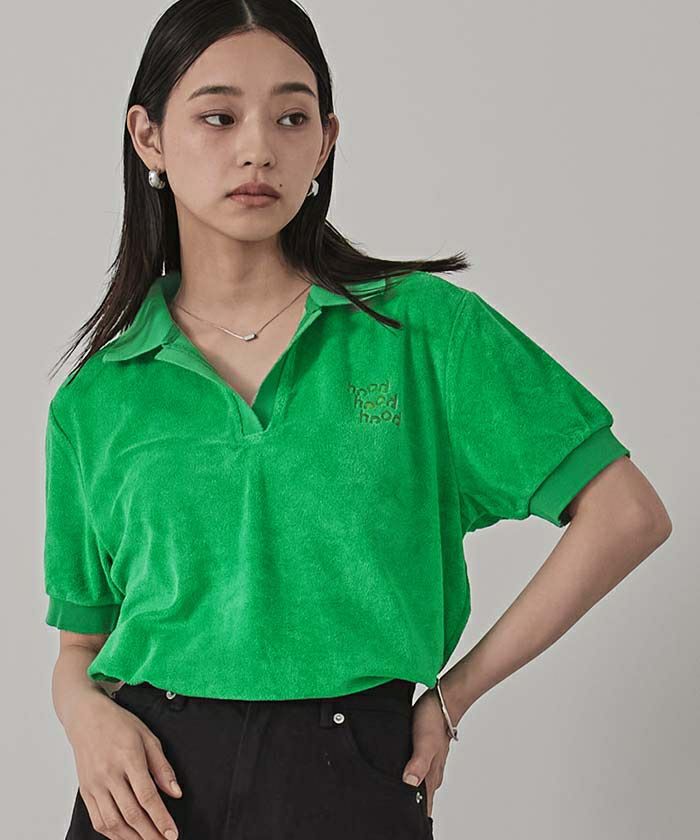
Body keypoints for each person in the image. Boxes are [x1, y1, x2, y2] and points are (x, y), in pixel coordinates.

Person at [42, 1, 672, 839]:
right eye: (219, 117)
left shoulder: (422, 333)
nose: (258, 148)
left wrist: (453, 696)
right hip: (146, 791)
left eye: (291, 117)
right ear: (149, 137)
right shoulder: (98, 397)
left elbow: (626, 513)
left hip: (351, 775)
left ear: (325, 142)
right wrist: (83, 717)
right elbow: (80, 648)